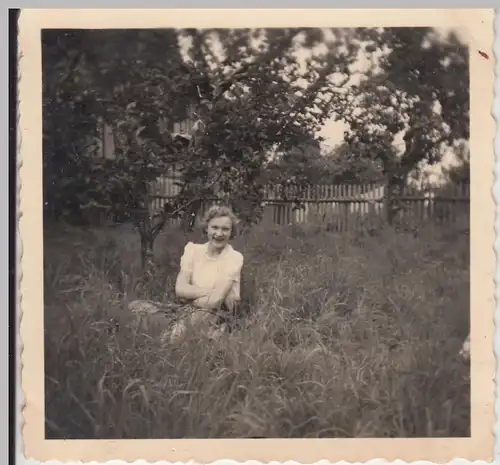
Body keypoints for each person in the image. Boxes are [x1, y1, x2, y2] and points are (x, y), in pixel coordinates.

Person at [170, 205, 244, 343]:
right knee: (137, 308)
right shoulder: (193, 250)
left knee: (177, 337)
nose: (219, 234)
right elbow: (180, 289)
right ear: (206, 228)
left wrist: (191, 296)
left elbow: (215, 301)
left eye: (225, 229)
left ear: (231, 232)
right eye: (214, 227)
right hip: (188, 308)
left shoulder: (233, 257)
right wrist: (213, 292)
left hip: (220, 313)